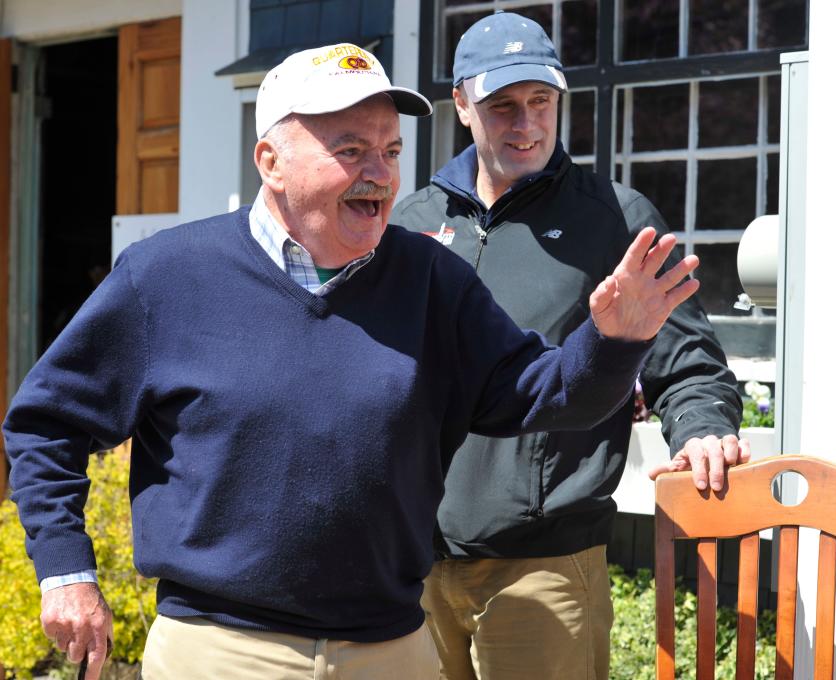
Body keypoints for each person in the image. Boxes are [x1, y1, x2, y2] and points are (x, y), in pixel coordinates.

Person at [3, 43, 702, 680]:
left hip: (390, 651)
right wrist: (66, 569)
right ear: (270, 162)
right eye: (350, 150)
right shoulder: (166, 276)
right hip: (219, 651)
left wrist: (613, 340)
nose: (379, 174)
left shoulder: (432, 279)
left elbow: (543, 396)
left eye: (391, 152)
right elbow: (47, 425)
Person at [390, 13, 748, 680]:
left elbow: (690, 367)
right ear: (462, 105)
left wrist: (701, 430)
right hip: (415, 567)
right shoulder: (412, 225)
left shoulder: (615, 218)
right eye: (502, 107)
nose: (526, 124)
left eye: (541, 102)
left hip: (544, 569)